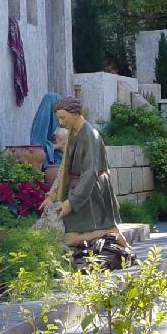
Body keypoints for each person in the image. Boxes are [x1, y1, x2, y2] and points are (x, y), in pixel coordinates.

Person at [52, 96, 130, 249]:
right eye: (59, 118)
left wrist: (72, 202)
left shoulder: (90, 135)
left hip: (90, 191)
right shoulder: (73, 133)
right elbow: (65, 166)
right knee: (68, 234)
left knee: (69, 237)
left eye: (63, 118)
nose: (61, 122)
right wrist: (53, 194)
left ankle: (109, 232)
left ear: (75, 114)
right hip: (79, 189)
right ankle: (110, 232)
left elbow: (90, 172)